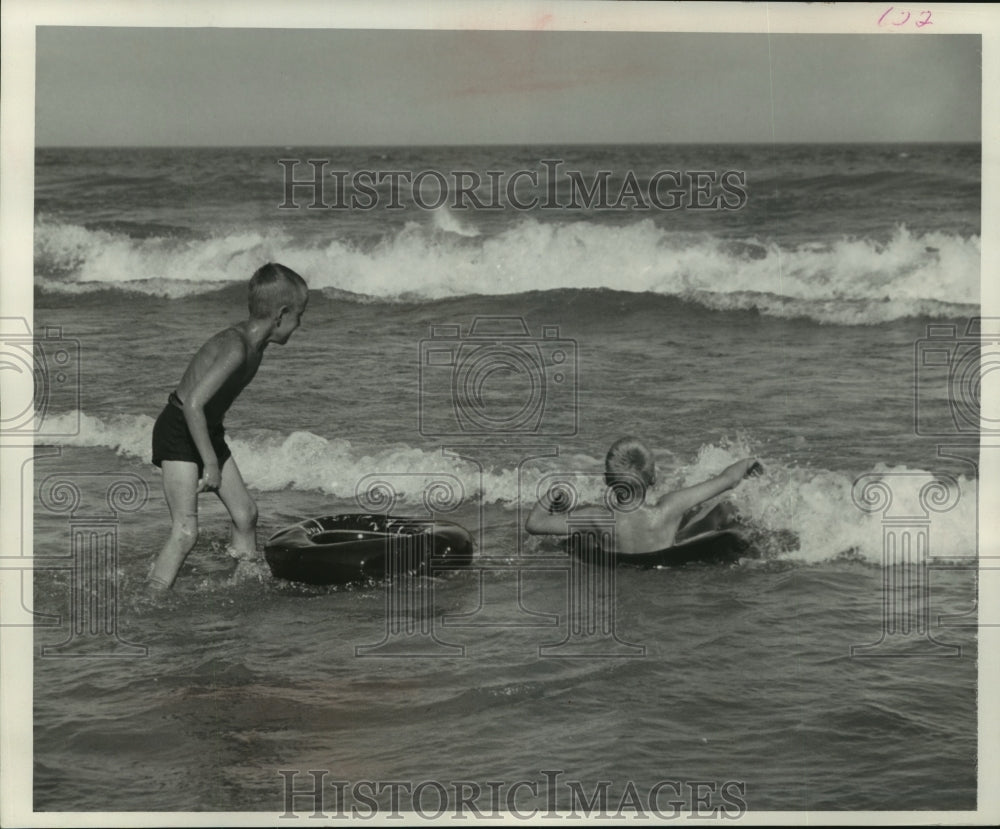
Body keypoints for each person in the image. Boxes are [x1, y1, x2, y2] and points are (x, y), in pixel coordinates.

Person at [147, 263, 308, 590]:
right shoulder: (237, 347)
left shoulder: (257, 345)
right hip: (180, 427)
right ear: (281, 314)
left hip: (205, 429)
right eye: (299, 316)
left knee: (246, 514)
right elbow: (193, 403)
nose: (300, 324)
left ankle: (243, 584)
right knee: (186, 532)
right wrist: (210, 464)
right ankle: (152, 597)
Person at [525, 436, 762, 554]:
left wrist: (553, 493)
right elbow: (728, 480)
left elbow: (535, 524)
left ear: (607, 480)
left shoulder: (596, 518)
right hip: (668, 552)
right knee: (723, 510)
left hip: (622, 558)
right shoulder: (670, 507)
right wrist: (750, 462)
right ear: (653, 478)